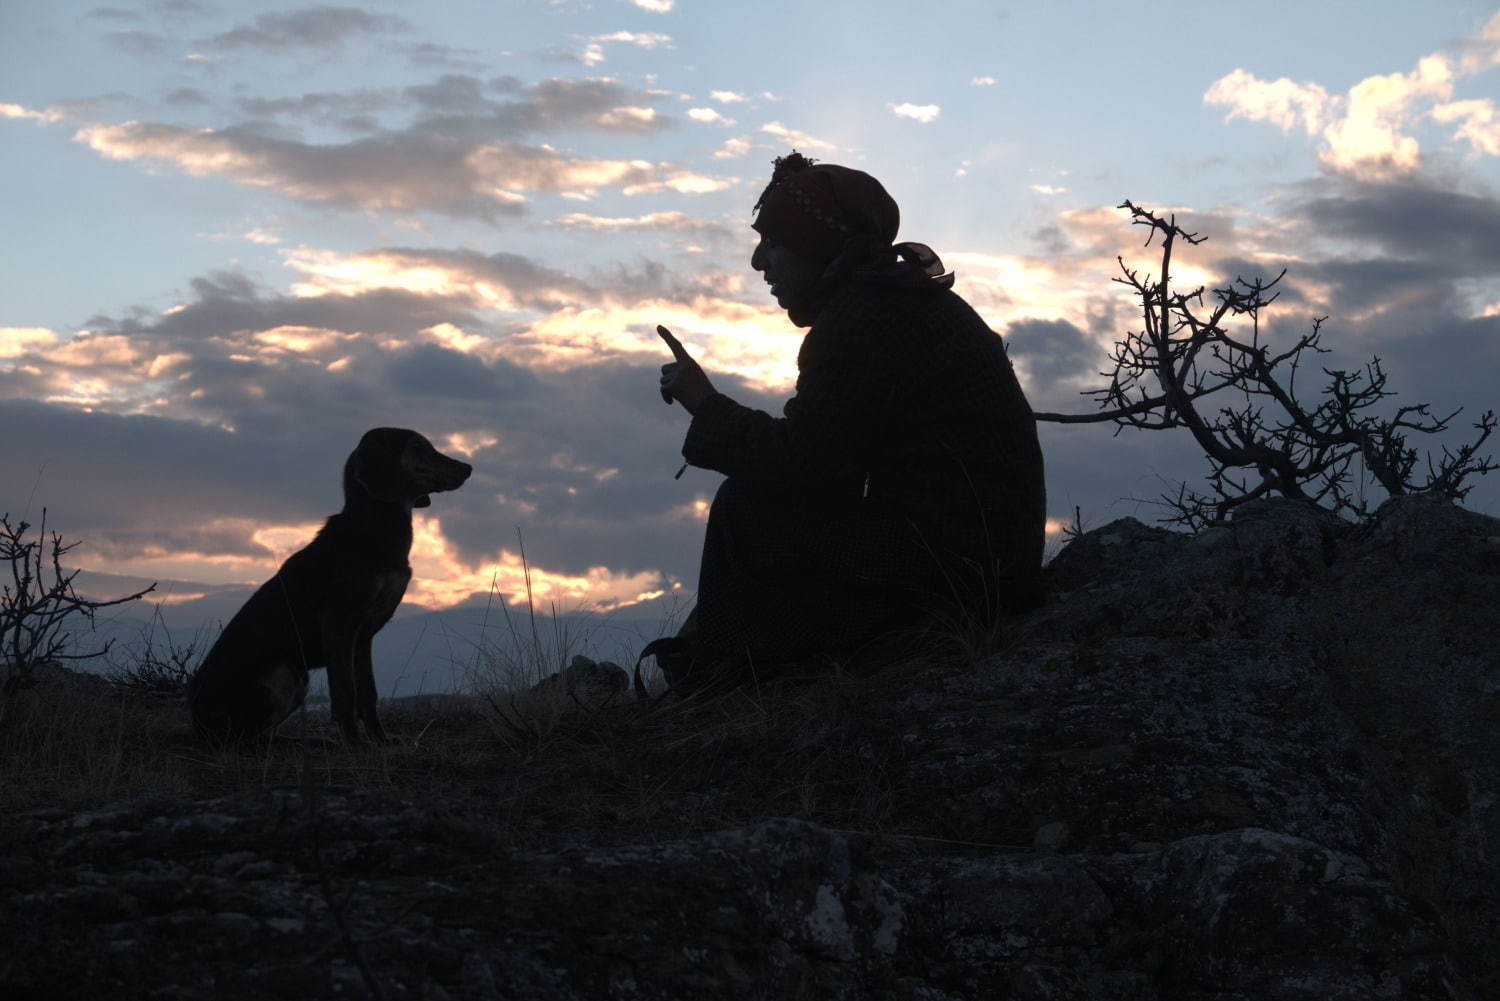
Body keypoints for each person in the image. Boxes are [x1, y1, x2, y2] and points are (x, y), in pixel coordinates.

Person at [649, 151, 1045, 692]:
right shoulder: (898, 301)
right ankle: (715, 663)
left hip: (957, 580)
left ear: (816, 245)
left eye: (773, 242)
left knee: (748, 508)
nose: (758, 262)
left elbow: (804, 465)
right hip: (987, 567)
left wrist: (706, 405)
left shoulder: (863, 320)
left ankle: (715, 685)